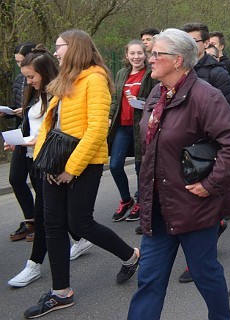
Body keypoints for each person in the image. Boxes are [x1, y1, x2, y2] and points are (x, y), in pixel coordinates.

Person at [127, 28, 230, 319]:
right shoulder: (157, 92)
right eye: (151, 53)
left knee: (205, 274)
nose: (150, 58)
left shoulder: (206, 97)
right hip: (157, 206)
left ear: (178, 60)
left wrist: (210, 184)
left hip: (193, 206)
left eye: (157, 54)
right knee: (149, 279)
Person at [23, 29, 140, 319]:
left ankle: (131, 256)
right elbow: (53, 123)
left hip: (83, 164)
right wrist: (45, 160)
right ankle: (61, 292)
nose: (56, 52)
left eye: (59, 46)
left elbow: (97, 130)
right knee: (52, 224)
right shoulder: (65, 78)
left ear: (74, 47)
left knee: (80, 222)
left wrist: (70, 169)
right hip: (56, 161)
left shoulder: (96, 79)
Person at [6, 45, 59, 287]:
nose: (27, 81)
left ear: (45, 72)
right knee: (54, 217)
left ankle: (34, 264)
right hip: (33, 157)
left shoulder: (59, 95)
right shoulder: (34, 93)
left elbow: (60, 131)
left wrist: (38, 140)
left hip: (49, 162)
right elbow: (31, 126)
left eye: (31, 76)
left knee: (51, 216)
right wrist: (19, 141)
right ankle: (36, 264)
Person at [108, 40, 155, 223]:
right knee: (114, 165)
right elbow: (115, 99)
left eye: (140, 53)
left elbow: (154, 99)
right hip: (122, 126)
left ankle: (141, 203)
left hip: (140, 127)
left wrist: (139, 100)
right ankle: (126, 200)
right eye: (132, 53)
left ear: (145, 54)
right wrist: (110, 116)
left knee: (139, 167)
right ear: (127, 55)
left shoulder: (150, 75)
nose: (136, 57)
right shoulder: (121, 74)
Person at [181, 23, 230, 119]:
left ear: (206, 43)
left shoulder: (217, 72)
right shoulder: (175, 69)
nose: (188, 45)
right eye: (184, 41)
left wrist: (209, 125)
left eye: (193, 41)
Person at [7, 42, 36, 242]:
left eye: (22, 62)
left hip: (35, 136)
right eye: (17, 62)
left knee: (37, 181)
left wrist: (25, 111)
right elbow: (16, 105)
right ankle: (31, 220)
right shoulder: (19, 80)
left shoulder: (43, 80)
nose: (19, 67)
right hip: (20, 133)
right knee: (15, 178)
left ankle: (40, 223)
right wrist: (9, 112)